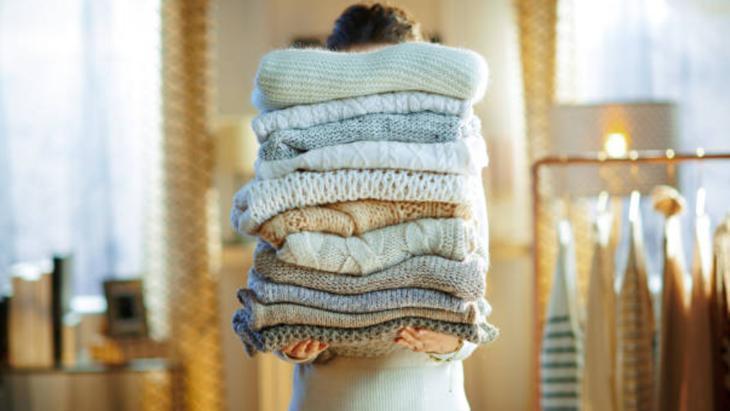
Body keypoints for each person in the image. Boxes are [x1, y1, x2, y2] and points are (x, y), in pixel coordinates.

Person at [274, 4, 479, 411]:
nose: (372, 101)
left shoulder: (449, 160)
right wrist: (291, 345)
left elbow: (475, 296)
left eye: (386, 83)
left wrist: (452, 341)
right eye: (359, 83)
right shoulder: (301, 160)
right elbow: (278, 285)